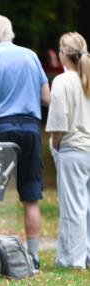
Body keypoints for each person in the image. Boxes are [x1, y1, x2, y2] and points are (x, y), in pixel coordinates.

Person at [0, 14, 50, 269]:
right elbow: (46, 97)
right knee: (31, 196)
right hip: (29, 130)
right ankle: (35, 257)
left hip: (1, 131)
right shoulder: (30, 56)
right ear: (10, 34)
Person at [45, 32, 90, 269]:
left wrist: (55, 146)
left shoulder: (62, 82)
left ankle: (73, 259)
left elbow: (58, 124)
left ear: (64, 54)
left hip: (73, 149)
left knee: (74, 207)